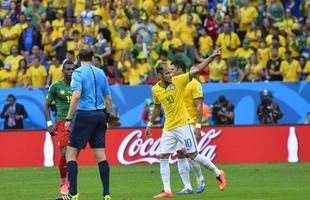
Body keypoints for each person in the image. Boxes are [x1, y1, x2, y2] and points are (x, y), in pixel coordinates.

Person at [145, 48, 226, 198]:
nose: (171, 74)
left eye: (171, 71)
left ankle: (217, 173)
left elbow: (198, 69)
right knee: (163, 156)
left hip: (184, 124)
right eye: (168, 73)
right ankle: (167, 190)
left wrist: (212, 56)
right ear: (159, 75)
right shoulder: (155, 90)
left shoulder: (179, 80)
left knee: (193, 155)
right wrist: (150, 124)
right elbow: (157, 107)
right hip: (168, 127)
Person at [57, 49, 112, 200]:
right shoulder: (101, 73)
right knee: (100, 155)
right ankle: (106, 194)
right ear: (93, 57)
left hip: (84, 115)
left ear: (78, 58)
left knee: (71, 154)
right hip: (100, 115)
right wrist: (106, 119)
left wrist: (68, 119)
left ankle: (72, 194)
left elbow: (76, 95)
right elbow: (108, 98)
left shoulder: (78, 73)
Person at [171, 60, 206, 195]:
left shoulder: (194, 83)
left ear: (180, 69)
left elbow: (199, 106)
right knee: (180, 154)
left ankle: (200, 177)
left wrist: (198, 126)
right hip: (179, 124)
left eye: (173, 69)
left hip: (191, 123)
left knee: (189, 153)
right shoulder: (174, 84)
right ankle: (187, 186)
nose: (171, 72)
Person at [44, 60, 75, 195]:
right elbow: (46, 105)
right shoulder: (56, 86)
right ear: (62, 71)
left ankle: (72, 185)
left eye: (72, 69)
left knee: (73, 154)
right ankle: (63, 181)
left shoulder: (79, 86)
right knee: (64, 152)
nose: (70, 72)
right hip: (62, 122)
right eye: (67, 69)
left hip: (78, 122)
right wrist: (49, 124)